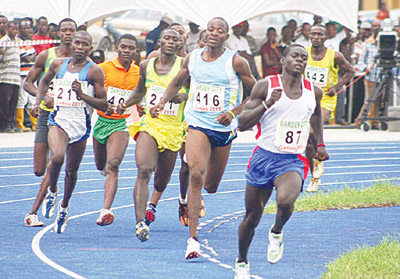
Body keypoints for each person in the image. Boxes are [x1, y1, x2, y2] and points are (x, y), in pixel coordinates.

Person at [150, 17, 256, 260]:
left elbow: (256, 93)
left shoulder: (237, 62)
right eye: (210, 29)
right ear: (205, 33)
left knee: (211, 186)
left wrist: (233, 112)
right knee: (195, 174)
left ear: (226, 36)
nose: (214, 34)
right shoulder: (193, 58)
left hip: (223, 130)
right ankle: (193, 239)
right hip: (197, 123)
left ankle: (200, 199)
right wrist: (162, 101)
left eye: (220, 31)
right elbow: (177, 82)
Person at [234, 44, 329, 278]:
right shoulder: (266, 86)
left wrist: (320, 143)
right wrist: (267, 104)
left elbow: (316, 114)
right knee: (251, 218)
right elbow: (243, 123)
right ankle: (242, 262)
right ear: (283, 60)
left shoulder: (313, 92)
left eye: (303, 58)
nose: (300, 60)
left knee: (285, 201)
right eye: (294, 56)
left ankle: (276, 231)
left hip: (292, 159)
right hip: (263, 157)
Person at [31, 31, 108, 233]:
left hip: (80, 125)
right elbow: (43, 81)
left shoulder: (94, 72)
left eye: (85, 44)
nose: (80, 47)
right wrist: (38, 101)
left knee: (71, 171)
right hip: (59, 119)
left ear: (90, 48)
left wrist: (82, 94)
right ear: (71, 45)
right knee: (56, 157)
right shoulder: (58, 64)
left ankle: (64, 207)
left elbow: (104, 104)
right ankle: (53, 190)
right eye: (77, 43)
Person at [118, 28, 187, 241]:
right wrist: (126, 103)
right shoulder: (147, 66)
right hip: (150, 124)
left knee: (160, 183)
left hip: (174, 129)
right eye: (167, 38)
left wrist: (182, 96)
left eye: (175, 39)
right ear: (159, 42)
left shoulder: (184, 66)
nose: (170, 41)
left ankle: (152, 203)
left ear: (179, 44)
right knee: (144, 170)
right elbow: (140, 91)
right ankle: (140, 223)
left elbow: (193, 92)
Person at [23, 18, 76, 227]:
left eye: (72, 30)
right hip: (46, 114)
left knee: (55, 160)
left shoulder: (81, 59)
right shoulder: (47, 56)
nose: (68, 34)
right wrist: (42, 97)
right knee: (39, 168)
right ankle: (50, 184)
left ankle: (33, 211)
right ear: (59, 33)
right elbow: (28, 83)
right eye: (65, 30)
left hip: (67, 117)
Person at [92, 34, 140, 226]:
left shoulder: (139, 72)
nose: (127, 51)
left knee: (113, 164)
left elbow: (141, 93)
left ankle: (105, 211)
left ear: (136, 51)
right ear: (117, 48)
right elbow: (91, 92)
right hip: (101, 119)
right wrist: (103, 105)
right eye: (124, 47)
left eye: (131, 48)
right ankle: (103, 167)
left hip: (122, 122)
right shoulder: (103, 69)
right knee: (100, 164)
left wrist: (135, 104)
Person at [304, 24, 354, 192]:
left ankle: (320, 148)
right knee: (306, 141)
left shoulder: (335, 56)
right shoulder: (304, 54)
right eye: (313, 34)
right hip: (306, 98)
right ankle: (314, 173)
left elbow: (350, 72)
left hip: (325, 99)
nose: (316, 37)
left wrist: (337, 86)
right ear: (309, 36)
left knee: (311, 131)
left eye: (319, 34)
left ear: (325, 37)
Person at [354, 30, 381, 129]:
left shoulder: (388, 46)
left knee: (379, 100)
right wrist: (365, 68)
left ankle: (375, 121)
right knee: (370, 99)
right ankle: (359, 121)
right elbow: (361, 60)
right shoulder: (369, 47)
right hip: (371, 76)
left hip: (383, 76)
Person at [0, 20, 21, 133]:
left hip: (16, 77)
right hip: (5, 77)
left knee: (13, 101)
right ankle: (3, 125)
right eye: (13, 29)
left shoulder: (18, 41)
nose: (15, 31)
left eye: (16, 29)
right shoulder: (4, 41)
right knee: (4, 102)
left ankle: (11, 123)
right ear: (7, 29)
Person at [16, 17, 37, 133]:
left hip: (31, 75)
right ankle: (19, 123)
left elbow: (34, 57)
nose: (26, 30)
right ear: (19, 29)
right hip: (23, 75)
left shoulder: (29, 42)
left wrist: (32, 57)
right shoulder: (18, 41)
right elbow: (27, 57)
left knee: (32, 100)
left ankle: (34, 124)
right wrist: (33, 57)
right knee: (22, 99)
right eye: (24, 28)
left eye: (28, 28)